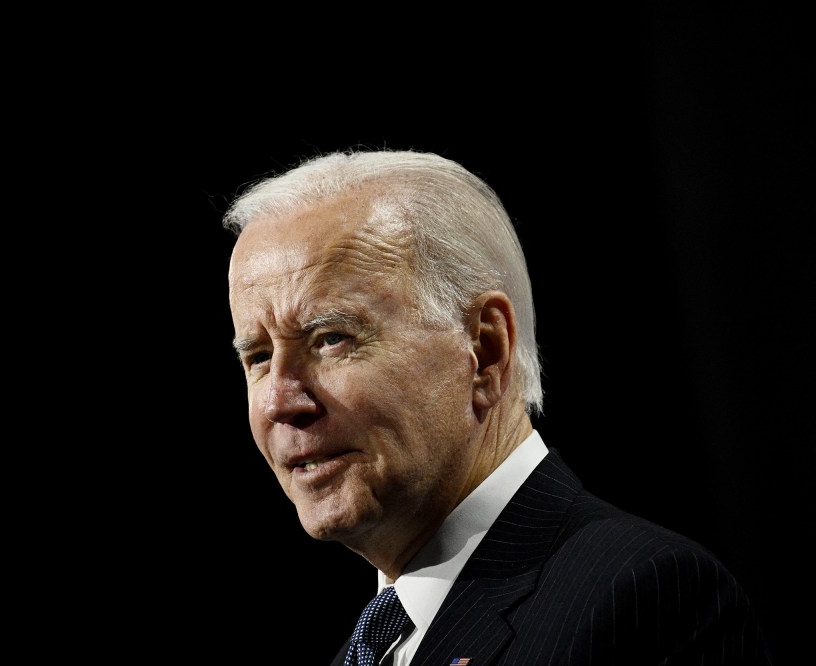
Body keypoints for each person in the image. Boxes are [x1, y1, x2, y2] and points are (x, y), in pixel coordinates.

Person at [221, 148, 773, 665]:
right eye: (260, 357)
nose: (279, 401)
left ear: (484, 349)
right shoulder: (369, 649)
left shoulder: (641, 598)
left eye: (332, 339)